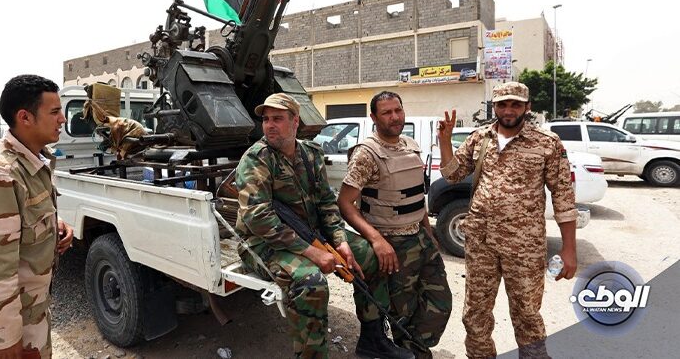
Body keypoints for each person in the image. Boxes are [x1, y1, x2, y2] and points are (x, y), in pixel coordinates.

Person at [234, 93, 413, 359]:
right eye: (266, 119)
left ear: (295, 121)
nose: (270, 125)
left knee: (369, 256)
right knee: (311, 283)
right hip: (261, 242)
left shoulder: (311, 153)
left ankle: (373, 340)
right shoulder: (256, 159)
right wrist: (313, 252)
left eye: (278, 119)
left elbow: (326, 203)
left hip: (310, 233)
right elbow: (258, 218)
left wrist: (340, 240)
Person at [438, 81, 578, 358]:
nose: (509, 110)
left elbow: (563, 196)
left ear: (527, 107)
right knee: (475, 313)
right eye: (503, 104)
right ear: (495, 107)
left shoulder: (547, 143)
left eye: (516, 104)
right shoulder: (480, 138)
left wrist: (569, 249)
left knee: (527, 314)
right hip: (481, 242)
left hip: (524, 246)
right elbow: (452, 175)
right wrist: (445, 140)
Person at [0, 74, 74, 359]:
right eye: (55, 112)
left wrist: (54, 225)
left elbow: (22, 218)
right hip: (7, 319)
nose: (63, 119)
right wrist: (6, 339)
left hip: (27, 308)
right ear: (25, 117)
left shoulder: (31, 161)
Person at [338, 91, 452, 358]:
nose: (394, 117)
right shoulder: (366, 154)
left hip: (420, 239)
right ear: (374, 117)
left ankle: (416, 350)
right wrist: (376, 240)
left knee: (440, 303)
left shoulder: (410, 146)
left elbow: (415, 197)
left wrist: (428, 232)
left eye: (398, 110)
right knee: (403, 312)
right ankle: (410, 353)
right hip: (393, 244)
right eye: (387, 112)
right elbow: (344, 203)